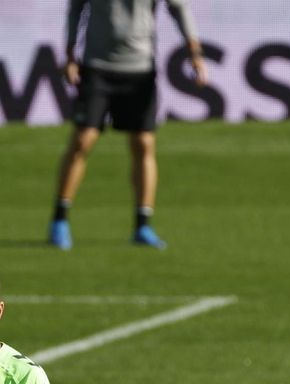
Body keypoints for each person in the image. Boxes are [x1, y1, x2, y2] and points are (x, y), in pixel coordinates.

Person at [49, 0, 208, 251]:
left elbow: (179, 7)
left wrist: (195, 53)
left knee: (143, 143)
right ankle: (59, 218)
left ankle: (143, 224)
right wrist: (69, 54)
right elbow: (76, 8)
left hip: (140, 68)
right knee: (83, 140)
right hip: (97, 66)